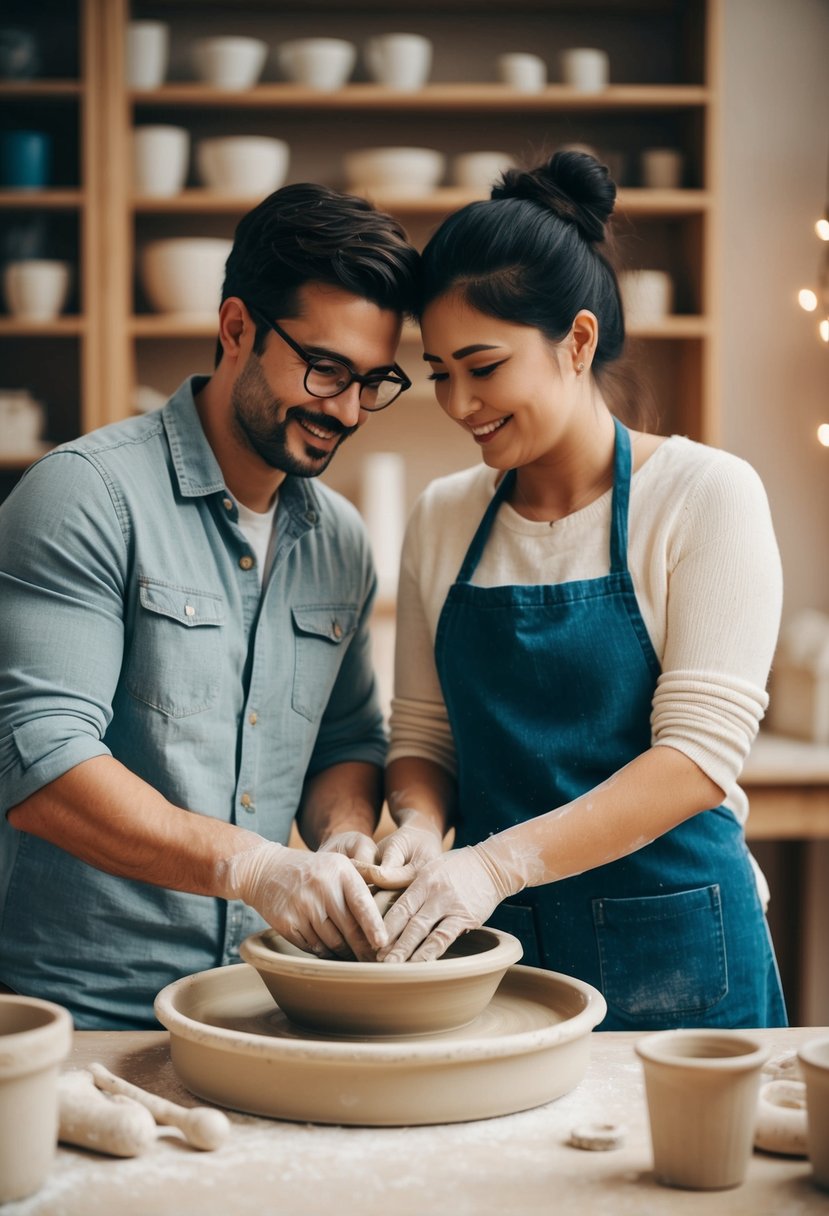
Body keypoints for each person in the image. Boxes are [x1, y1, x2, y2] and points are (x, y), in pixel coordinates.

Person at [366, 151, 787, 1029]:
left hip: (680, 951)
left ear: (578, 341)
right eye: (440, 371)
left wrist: (493, 863)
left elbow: (695, 763)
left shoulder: (704, 495)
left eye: (483, 366)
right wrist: (413, 820)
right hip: (502, 958)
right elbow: (424, 736)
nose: (457, 401)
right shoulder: (442, 517)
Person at [0, 183, 419, 1029]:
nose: (345, 409)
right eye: (325, 368)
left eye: (372, 381)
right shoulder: (86, 495)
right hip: (76, 1015)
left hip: (253, 1003)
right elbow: (38, 763)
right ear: (236, 329)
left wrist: (341, 832)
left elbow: (344, 739)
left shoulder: (339, 538)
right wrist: (253, 867)